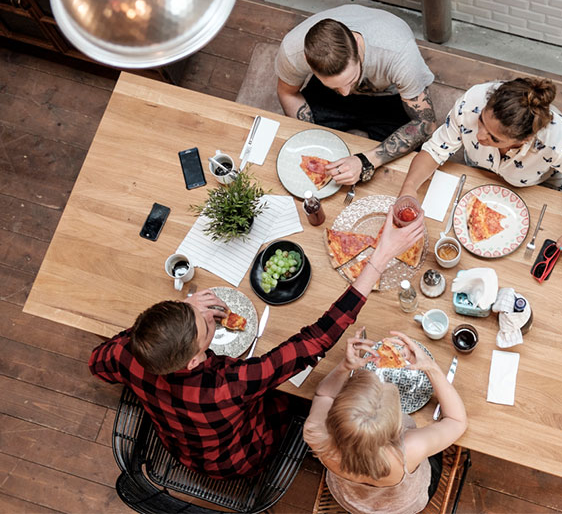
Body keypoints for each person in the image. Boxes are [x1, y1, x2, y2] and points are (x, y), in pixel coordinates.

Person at [88, 209, 425, 479]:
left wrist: (162, 328)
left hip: (182, 447)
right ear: (192, 361)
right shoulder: (228, 387)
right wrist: (379, 259)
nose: (204, 311)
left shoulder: (126, 353)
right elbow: (316, 340)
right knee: (292, 399)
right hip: (240, 462)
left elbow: (95, 364)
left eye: (189, 308)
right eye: (204, 325)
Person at [398, 77, 562, 263]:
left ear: (524, 140)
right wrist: (409, 188)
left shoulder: (558, 141)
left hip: (537, 185)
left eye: (494, 138)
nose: (479, 136)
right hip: (481, 171)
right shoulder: (471, 103)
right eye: (482, 121)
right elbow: (435, 150)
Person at [304, 331, 467, 514]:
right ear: (397, 425)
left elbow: (324, 394)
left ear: (335, 411)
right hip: (401, 505)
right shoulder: (408, 450)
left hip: (351, 499)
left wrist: (345, 367)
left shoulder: (315, 432)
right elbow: (457, 421)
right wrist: (432, 368)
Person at [275, 5, 437, 186]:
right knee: (303, 154)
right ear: (307, 60)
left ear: (358, 43)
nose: (345, 93)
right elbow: (287, 93)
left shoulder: (399, 54)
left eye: (351, 79)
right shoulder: (293, 49)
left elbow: (426, 123)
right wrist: (315, 141)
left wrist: (365, 161)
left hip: (387, 99)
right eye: (336, 86)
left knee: (409, 166)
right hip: (327, 97)